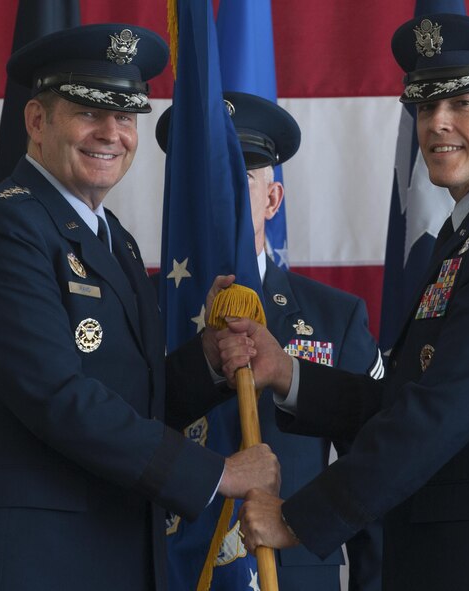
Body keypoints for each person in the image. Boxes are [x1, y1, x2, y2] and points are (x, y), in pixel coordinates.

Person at [221, 14, 469, 590]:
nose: (436, 123)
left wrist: (298, 518)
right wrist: (287, 373)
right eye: (424, 104)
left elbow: (439, 412)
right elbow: (412, 395)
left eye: (462, 104)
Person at [0, 24, 278, 591]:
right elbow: (59, 398)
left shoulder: (113, 238)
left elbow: (130, 397)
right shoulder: (2, 230)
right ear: (37, 121)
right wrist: (216, 474)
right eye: (89, 111)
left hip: (109, 554)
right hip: (28, 566)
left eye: (127, 115)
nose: (112, 132)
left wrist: (206, 361)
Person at [155, 91, 384, 591]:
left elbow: (377, 468)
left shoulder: (335, 318)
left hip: (290, 574)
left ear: (272, 198)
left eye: (240, 177)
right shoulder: (140, 310)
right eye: (203, 180)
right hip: (165, 573)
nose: (220, 194)